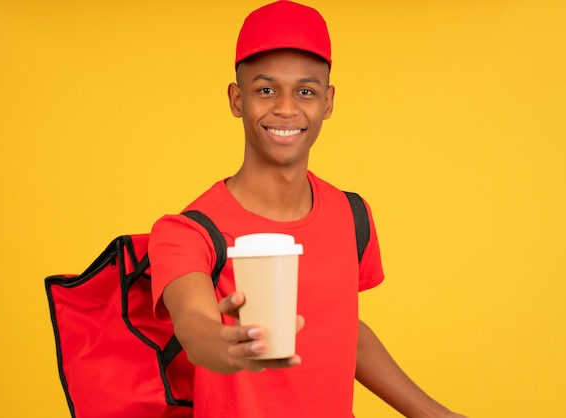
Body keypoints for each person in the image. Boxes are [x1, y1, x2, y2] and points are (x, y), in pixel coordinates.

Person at [149, 1, 467, 417]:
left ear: (328, 102)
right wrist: (226, 348)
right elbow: (194, 326)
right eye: (265, 89)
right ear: (236, 99)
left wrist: (434, 413)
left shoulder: (352, 215)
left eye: (305, 91)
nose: (286, 107)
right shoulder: (187, 232)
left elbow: (340, 330)